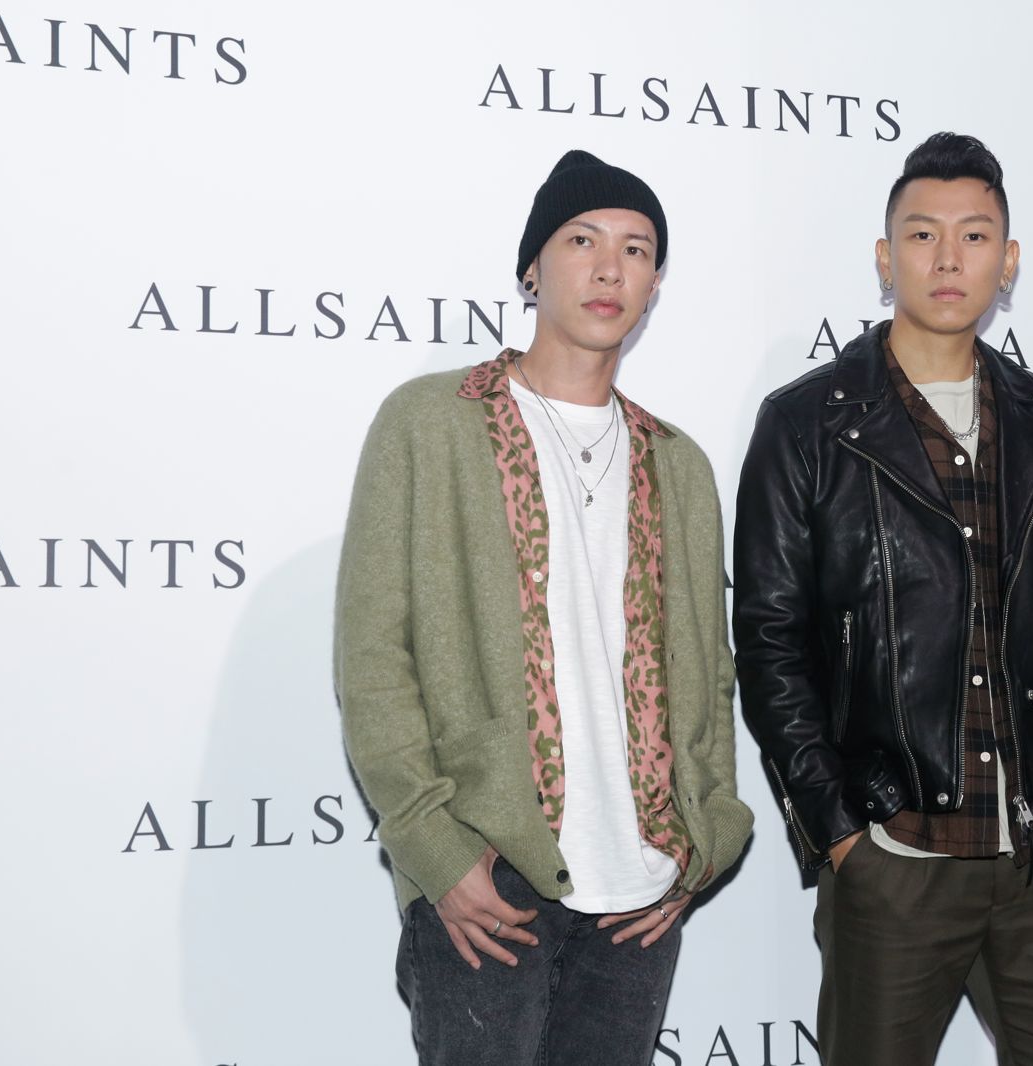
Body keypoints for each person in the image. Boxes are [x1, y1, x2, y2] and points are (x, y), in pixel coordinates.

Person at [733, 131, 1033, 1066]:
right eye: (922, 234)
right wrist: (842, 836)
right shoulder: (807, 425)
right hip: (898, 855)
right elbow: (770, 644)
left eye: (974, 236)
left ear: (1008, 263)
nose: (947, 258)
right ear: (884, 257)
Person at [335, 149, 751, 1065]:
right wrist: (436, 849)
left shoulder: (678, 463)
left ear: (654, 284)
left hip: (641, 886)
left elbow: (710, 674)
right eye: (581, 241)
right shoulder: (430, 421)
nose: (610, 269)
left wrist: (707, 834)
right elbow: (373, 655)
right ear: (532, 268)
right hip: (491, 871)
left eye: (637, 250)